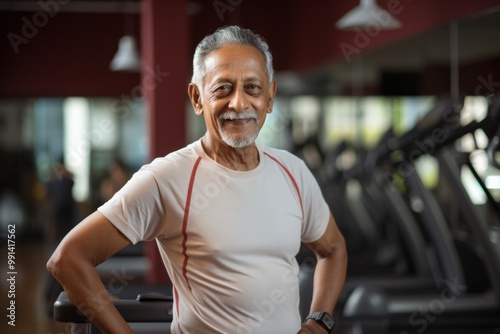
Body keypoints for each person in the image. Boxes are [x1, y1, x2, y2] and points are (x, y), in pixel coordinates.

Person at [47, 25, 347, 334]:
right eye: (223, 88)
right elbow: (68, 259)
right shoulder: (167, 178)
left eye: (253, 88)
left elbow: (333, 248)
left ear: (270, 96)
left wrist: (319, 321)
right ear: (197, 97)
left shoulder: (292, 171)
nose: (239, 103)